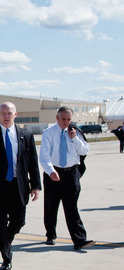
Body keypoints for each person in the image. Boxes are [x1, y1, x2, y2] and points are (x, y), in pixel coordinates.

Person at [0, 102, 41, 270]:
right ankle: (6, 258)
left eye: (9, 113)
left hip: (19, 186)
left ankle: (6, 240)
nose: (6, 116)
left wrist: (36, 185)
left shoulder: (25, 134)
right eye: (3, 113)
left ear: (15, 114)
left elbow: (32, 161)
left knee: (19, 220)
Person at [40, 107, 94, 250]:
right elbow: (44, 156)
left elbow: (85, 150)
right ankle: (50, 234)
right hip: (53, 173)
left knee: (71, 208)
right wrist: (51, 171)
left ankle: (79, 240)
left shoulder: (75, 132)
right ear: (57, 118)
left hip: (71, 174)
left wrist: (74, 138)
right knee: (51, 206)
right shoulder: (48, 133)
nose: (66, 122)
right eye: (63, 119)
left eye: (68, 119)